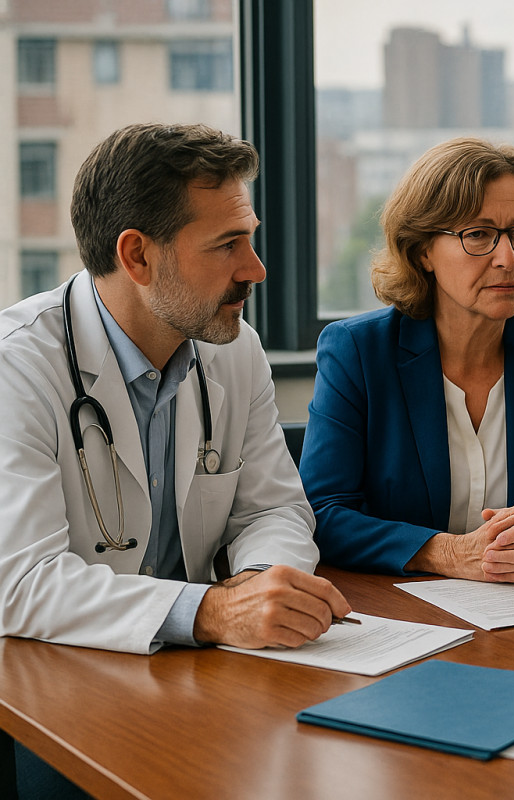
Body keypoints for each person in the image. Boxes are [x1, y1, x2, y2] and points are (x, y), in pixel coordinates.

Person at [0, 122, 349, 655]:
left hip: (192, 669)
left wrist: (257, 584)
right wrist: (211, 611)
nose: (256, 269)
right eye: (227, 245)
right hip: (57, 671)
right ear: (138, 256)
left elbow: (274, 510)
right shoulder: (17, 366)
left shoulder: (235, 348)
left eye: (249, 238)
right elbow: (22, 582)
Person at [301, 137, 514, 582]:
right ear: (422, 251)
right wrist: (448, 553)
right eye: (478, 235)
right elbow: (323, 511)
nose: (507, 259)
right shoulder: (356, 351)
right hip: (401, 603)